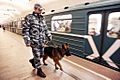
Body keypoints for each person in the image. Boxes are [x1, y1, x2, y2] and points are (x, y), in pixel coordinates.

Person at [22, 3, 52, 78]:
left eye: (41, 9)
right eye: (39, 9)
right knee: (37, 56)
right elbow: (25, 30)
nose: (41, 11)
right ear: (35, 9)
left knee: (41, 55)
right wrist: (27, 41)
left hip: (42, 41)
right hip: (34, 41)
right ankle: (39, 70)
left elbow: (45, 28)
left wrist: (49, 36)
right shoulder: (29, 17)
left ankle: (33, 60)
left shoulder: (42, 18)